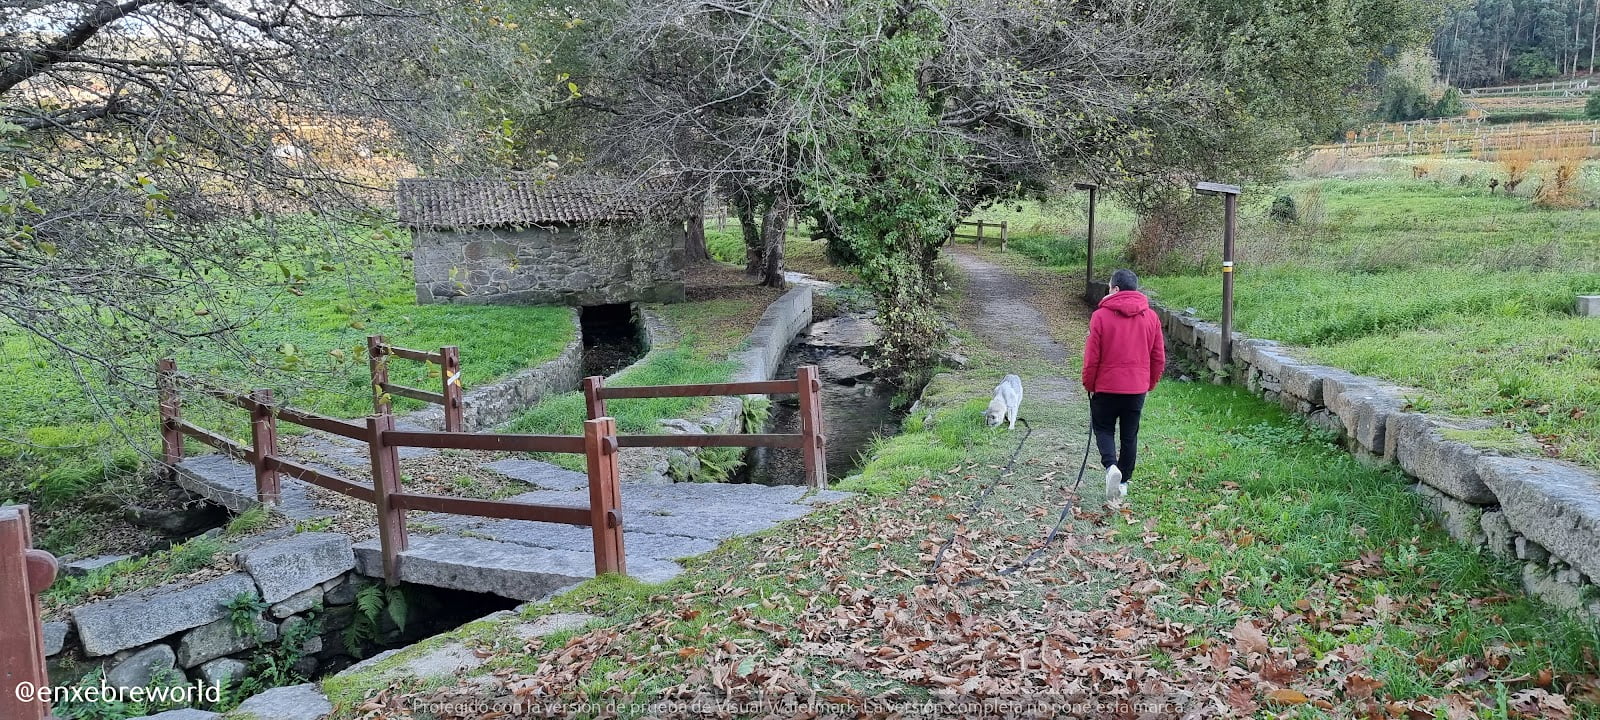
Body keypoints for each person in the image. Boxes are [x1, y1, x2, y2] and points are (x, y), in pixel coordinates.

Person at [1081, 268, 1166, 507]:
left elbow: (1092, 357)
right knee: (1130, 435)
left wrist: (1089, 383)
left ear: (1115, 289)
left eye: (1109, 288)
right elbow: (1158, 357)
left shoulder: (1100, 317)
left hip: (1106, 387)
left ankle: (1111, 466)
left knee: (1103, 428)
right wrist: (1149, 383)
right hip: (1136, 389)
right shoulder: (1151, 317)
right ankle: (1123, 482)